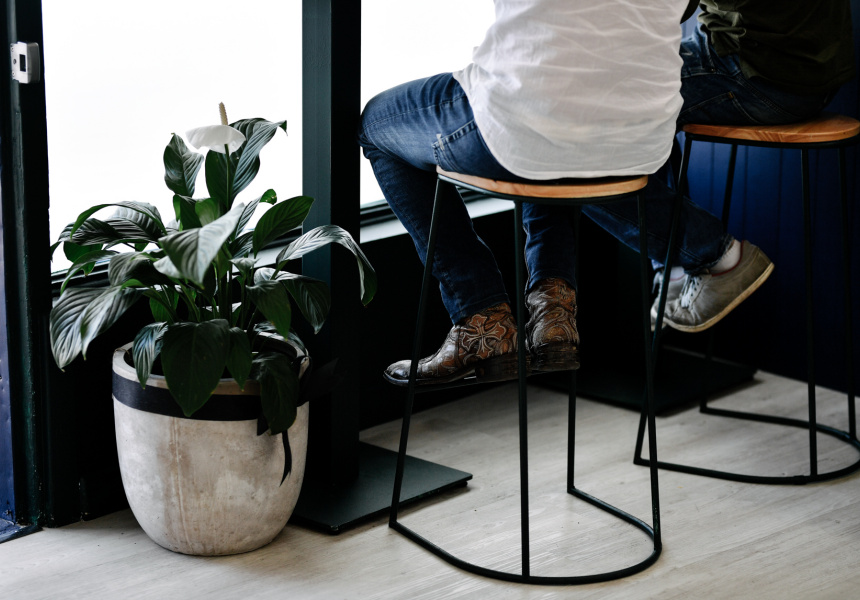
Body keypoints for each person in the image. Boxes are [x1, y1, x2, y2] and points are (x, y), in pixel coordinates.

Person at [357, 0, 767, 386]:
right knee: (556, 126)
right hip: (644, 129)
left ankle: (480, 318)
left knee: (376, 125)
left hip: (526, 121)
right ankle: (552, 317)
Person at [636, 0, 855, 331]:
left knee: (616, 104)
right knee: (634, 94)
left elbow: (664, 8)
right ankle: (676, 270)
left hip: (762, 70)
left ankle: (709, 256)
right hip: (817, 66)